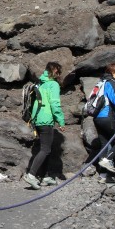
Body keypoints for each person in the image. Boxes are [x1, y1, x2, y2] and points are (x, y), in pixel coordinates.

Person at [23, 62, 65, 190]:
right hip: (46, 119)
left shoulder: (40, 83)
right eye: (59, 72)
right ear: (55, 72)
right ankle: (31, 175)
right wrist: (61, 121)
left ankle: (46, 176)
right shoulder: (53, 84)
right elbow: (54, 104)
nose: (59, 75)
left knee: (46, 149)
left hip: (37, 118)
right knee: (46, 149)